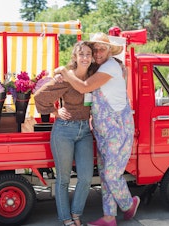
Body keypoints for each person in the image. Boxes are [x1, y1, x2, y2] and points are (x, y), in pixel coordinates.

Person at [55, 32, 140, 226]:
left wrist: (66, 73)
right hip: (103, 130)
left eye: (102, 48)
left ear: (110, 50)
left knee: (111, 174)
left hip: (117, 130)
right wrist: (60, 73)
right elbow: (70, 73)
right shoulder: (99, 67)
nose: (98, 52)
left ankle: (129, 203)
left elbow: (84, 87)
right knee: (104, 174)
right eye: (95, 49)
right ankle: (109, 217)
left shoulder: (110, 66)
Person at [34, 41, 98, 226]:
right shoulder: (66, 78)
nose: (85, 57)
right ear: (75, 58)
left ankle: (76, 213)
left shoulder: (93, 77)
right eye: (81, 54)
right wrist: (55, 112)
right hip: (64, 130)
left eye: (88, 54)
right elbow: (40, 97)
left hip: (85, 131)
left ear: (92, 57)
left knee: (86, 178)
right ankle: (66, 218)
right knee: (63, 179)